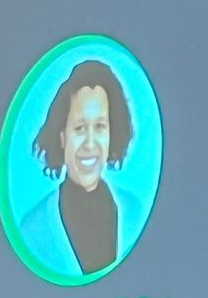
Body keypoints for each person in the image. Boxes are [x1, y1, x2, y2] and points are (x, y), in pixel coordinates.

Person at [18, 58, 144, 276]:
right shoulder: (32, 230)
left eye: (100, 127)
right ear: (62, 137)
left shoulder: (135, 213)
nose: (90, 143)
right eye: (79, 128)